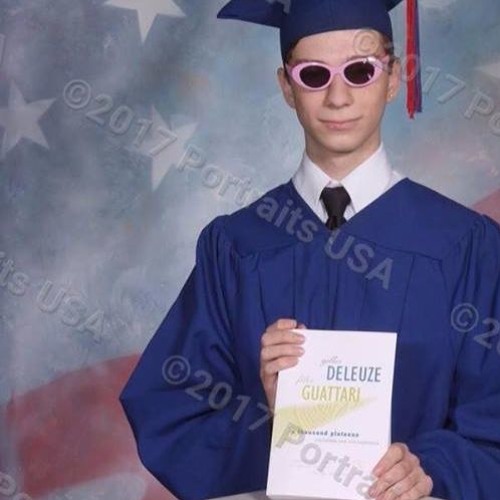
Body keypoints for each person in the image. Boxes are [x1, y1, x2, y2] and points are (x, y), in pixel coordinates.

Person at [119, 1, 500, 499]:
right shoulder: (237, 247)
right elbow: (172, 413)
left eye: (360, 71)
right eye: (314, 75)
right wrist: (270, 418)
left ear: (394, 78)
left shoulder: (463, 245)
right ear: (286, 86)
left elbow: (493, 417)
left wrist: (431, 469)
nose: (338, 97)